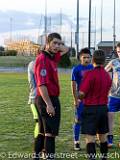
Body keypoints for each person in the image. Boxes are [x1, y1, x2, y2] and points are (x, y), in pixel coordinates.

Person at [34, 32, 69, 160]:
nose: (57, 46)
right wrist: (49, 104)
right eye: (54, 43)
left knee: (43, 132)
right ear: (47, 43)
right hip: (46, 99)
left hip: (48, 99)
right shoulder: (42, 59)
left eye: (59, 43)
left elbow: (67, 49)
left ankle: (36, 156)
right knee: (50, 133)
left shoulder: (52, 57)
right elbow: (41, 85)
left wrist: (57, 46)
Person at [79, 49, 112, 160]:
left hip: (91, 109)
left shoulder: (89, 74)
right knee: (103, 138)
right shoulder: (107, 76)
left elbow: (82, 93)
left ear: (93, 59)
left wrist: (79, 96)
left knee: (90, 139)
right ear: (104, 61)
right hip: (103, 109)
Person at [71, 48, 93, 151]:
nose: (87, 59)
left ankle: (90, 141)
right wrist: (76, 100)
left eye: (88, 57)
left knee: (90, 121)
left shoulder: (93, 68)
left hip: (91, 100)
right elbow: (73, 86)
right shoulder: (76, 69)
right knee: (78, 120)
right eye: (84, 57)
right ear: (80, 58)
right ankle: (76, 141)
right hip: (81, 100)